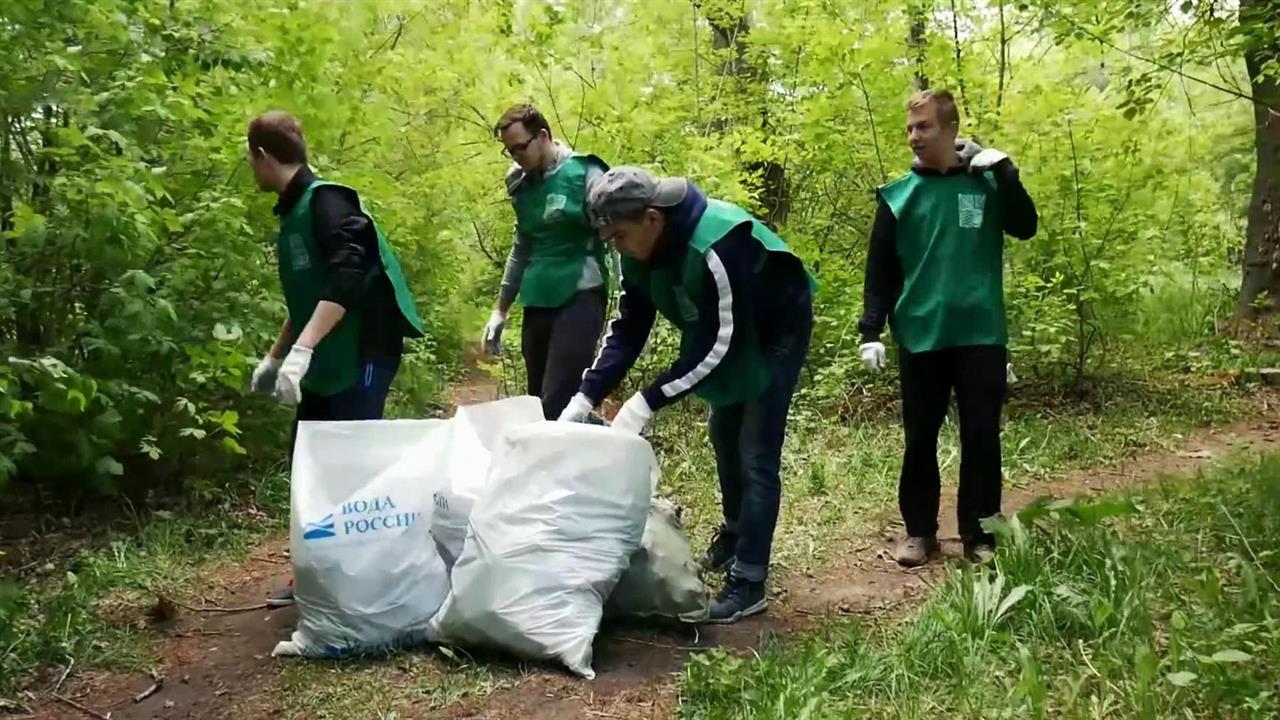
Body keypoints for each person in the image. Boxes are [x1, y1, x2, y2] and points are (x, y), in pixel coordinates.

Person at [558, 167, 815, 624]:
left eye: (619, 236)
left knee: (755, 450)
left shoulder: (717, 246)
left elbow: (719, 345)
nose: (616, 246)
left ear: (652, 219)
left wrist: (645, 403)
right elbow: (629, 328)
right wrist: (585, 396)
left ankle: (750, 581)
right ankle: (736, 536)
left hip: (776, 330)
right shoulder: (637, 249)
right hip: (726, 326)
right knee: (723, 432)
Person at [244, 110, 425, 606]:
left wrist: (302, 351)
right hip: (322, 357)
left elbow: (348, 275)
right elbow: (311, 299)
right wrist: (276, 356)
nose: (251, 170)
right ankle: (316, 574)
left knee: (354, 461)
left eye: (250, 160)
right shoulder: (292, 212)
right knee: (309, 460)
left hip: (366, 346)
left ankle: (365, 576)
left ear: (261, 155)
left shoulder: (327, 200)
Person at [857, 89, 1038, 567]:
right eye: (910, 129)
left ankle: (980, 535)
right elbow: (880, 271)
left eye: (925, 127)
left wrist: (1006, 172)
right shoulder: (899, 196)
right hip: (920, 333)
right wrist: (870, 331)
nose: (915, 137)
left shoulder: (985, 185)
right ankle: (920, 532)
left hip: (981, 333)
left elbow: (1025, 225)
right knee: (920, 437)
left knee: (981, 436)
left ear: (951, 129)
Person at [481, 105, 611, 420]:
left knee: (559, 399)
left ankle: (592, 451)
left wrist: (625, 303)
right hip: (538, 296)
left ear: (543, 136)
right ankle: (583, 439)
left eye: (521, 147)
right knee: (537, 403)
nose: (516, 156)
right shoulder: (519, 183)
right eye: (509, 151)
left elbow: (618, 235)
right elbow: (522, 246)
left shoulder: (586, 173)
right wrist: (500, 310)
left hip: (580, 292)